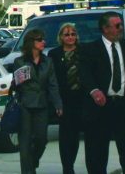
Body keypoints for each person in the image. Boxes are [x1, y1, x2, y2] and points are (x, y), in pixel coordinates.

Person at [80, 11, 125, 174]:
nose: (121, 28)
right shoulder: (90, 49)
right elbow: (85, 74)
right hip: (101, 108)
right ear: (105, 28)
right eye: (117, 26)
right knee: (97, 152)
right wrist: (94, 91)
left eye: (121, 25)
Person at [11, 28, 63, 174]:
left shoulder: (48, 61)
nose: (43, 42)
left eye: (43, 39)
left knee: (41, 139)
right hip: (25, 104)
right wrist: (17, 81)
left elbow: (53, 84)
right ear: (31, 42)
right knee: (25, 141)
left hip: (42, 104)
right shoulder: (19, 61)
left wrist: (58, 104)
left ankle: (33, 160)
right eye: (39, 40)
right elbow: (15, 85)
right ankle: (27, 171)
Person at [49, 22, 88, 174]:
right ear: (61, 37)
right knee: (66, 135)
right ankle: (67, 167)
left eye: (73, 34)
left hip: (81, 99)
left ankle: (71, 164)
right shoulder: (54, 54)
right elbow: (52, 80)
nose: (70, 37)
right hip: (64, 100)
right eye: (67, 34)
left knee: (76, 134)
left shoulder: (83, 52)